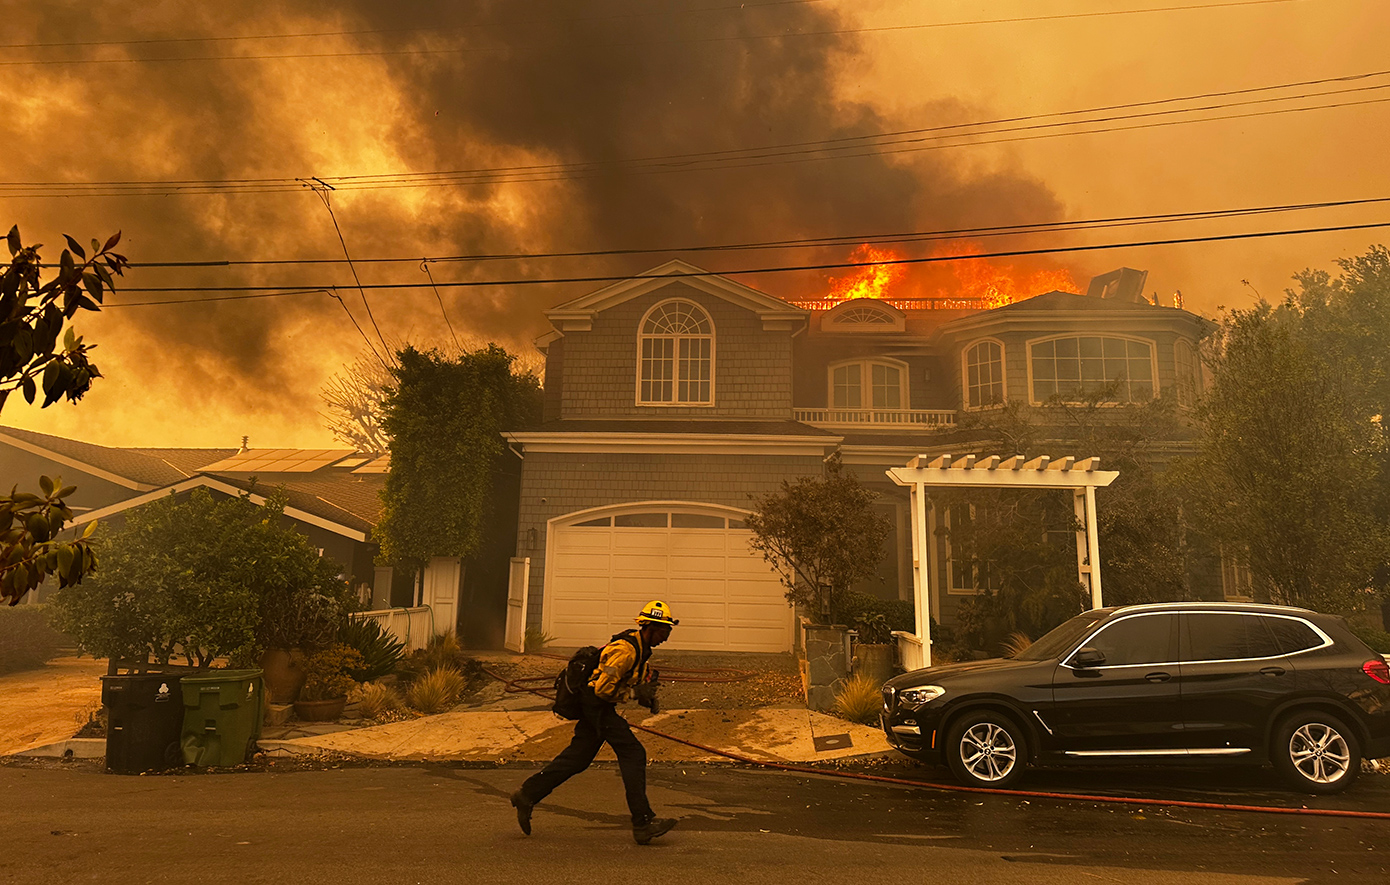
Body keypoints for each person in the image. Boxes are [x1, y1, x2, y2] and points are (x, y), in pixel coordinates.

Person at [510, 600, 680, 845]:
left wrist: (647, 698)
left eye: (668, 631)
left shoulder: (642, 652)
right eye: (664, 631)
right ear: (649, 628)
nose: (666, 636)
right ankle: (642, 823)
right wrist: (634, 695)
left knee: (577, 759)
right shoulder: (626, 650)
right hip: (595, 704)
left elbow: (631, 682)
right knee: (634, 753)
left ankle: (527, 794)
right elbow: (602, 690)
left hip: (599, 706)